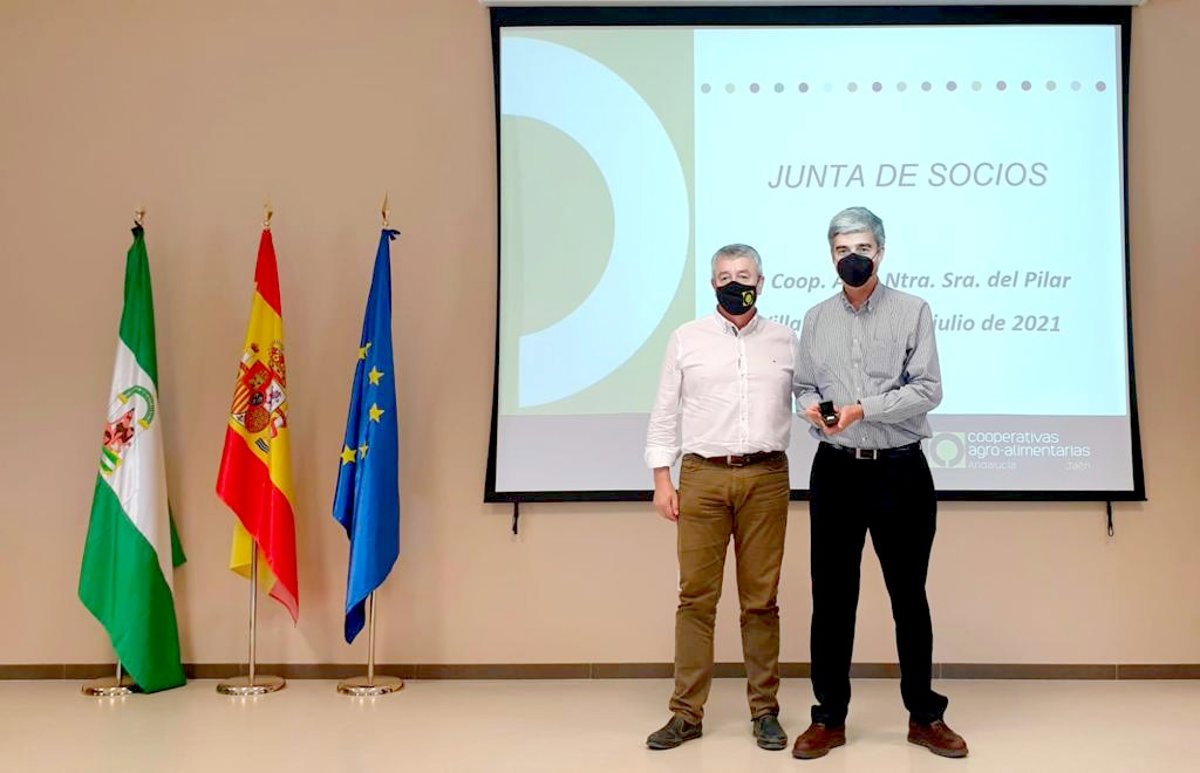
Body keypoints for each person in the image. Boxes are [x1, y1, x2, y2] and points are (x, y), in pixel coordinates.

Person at [791, 207, 968, 760]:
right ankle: (829, 718)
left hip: (900, 470)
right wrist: (814, 410)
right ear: (831, 256)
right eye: (842, 250)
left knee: (908, 597)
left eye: (862, 248)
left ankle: (924, 716)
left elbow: (928, 389)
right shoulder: (816, 318)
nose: (853, 258)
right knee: (832, 598)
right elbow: (802, 386)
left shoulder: (913, 311)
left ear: (882, 251)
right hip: (836, 470)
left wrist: (862, 409)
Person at [643, 243, 800, 752]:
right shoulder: (686, 339)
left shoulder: (786, 340)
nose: (736, 283)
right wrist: (662, 478)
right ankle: (686, 714)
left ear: (761, 282)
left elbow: (812, 400)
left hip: (766, 477)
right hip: (704, 477)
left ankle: (765, 712)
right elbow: (664, 412)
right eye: (726, 276)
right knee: (695, 599)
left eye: (745, 275)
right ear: (713, 283)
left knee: (761, 601)